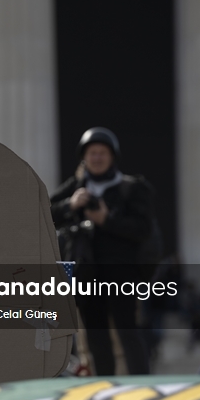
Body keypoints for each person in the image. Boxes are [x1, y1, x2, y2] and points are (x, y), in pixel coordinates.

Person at [50, 127, 153, 376]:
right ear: (84, 157)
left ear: (112, 156)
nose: (97, 158)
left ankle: (142, 386)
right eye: (92, 153)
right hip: (86, 276)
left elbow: (143, 228)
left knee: (129, 335)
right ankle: (106, 390)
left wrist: (106, 219)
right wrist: (69, 205)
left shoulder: (133, 188)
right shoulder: (77, 187)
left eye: (102, 153)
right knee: (97, 340)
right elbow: (44, 213)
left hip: (121, 276)